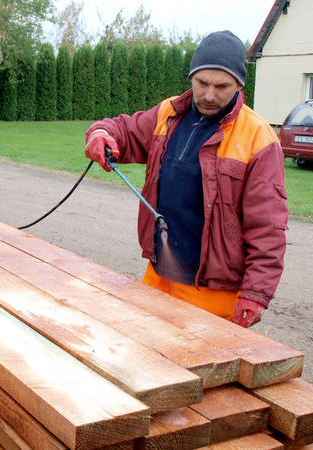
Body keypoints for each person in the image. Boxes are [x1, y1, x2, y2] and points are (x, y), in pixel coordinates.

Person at [84, 30, 288, 328]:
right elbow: (125, 130)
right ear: (191, 77)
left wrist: (255, 294)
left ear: (240, 85)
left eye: (221, 87)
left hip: (214, 292)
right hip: (158, 275)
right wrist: (101, 133)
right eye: (202, 83)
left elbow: (267, 228)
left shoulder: (259, 138)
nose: (208, 95)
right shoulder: (169, 113)